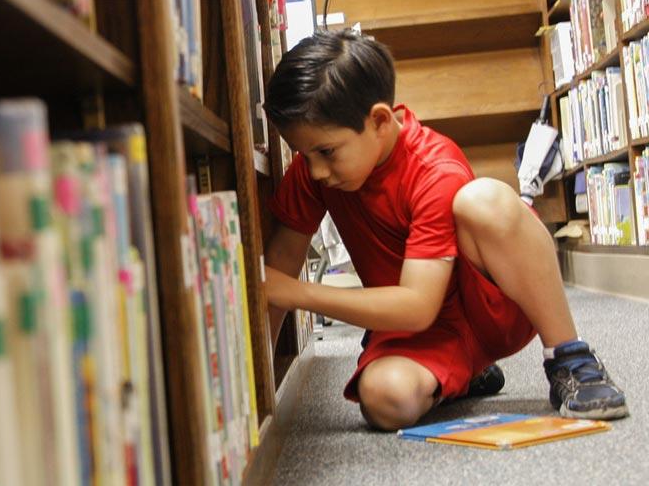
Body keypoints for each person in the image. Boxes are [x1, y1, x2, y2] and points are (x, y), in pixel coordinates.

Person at [261, 29, 628, 431]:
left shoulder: (434, 168)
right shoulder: (314, 173)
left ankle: (571, 358)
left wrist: (298, 293)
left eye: (327, 152)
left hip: (486, 312)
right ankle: (460, 377)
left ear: (380, 121)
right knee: (384, 400)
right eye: (303, 154)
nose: (315, 170)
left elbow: (415, 305)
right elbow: (277, 268)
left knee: (484, 199)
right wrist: (259, 386)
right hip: (420, 332)